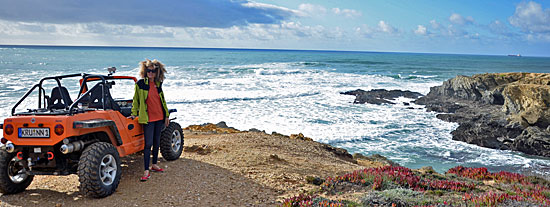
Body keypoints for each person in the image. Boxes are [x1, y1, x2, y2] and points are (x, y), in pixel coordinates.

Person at [129, 59, 170, 182]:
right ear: (145, 71)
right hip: (148, 119)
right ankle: (146, 170)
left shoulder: (158, 84)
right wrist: (133, 114)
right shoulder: (141, 84)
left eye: (153, 71)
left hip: (159, 117)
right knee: (148, 144)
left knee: (157, 141)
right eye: (148, 70)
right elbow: (135, 100)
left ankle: (154, 164)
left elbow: (162, 101)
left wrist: (166, 115)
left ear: (157, 72)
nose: (150, 73)